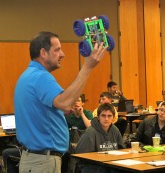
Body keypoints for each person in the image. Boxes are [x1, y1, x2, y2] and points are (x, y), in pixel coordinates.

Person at [14, 31, 106, 173]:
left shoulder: (29, 75)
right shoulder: (41, 77)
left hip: (35, 160)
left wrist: (66, 109)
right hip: (43, 162)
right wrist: (87, 67)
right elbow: (65, 103)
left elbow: (60, 107)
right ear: (43, 53)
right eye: (57, 50)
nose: (62, 54)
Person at [75, 103, 124, 173]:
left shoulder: (115, 130)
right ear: (98, 117)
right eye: (103, 116)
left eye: (109, 116)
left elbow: (122, 150)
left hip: (110, 164)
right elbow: (80, 156)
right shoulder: (90, 132)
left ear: (113, 118)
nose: (106, 119)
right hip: (92, 166)